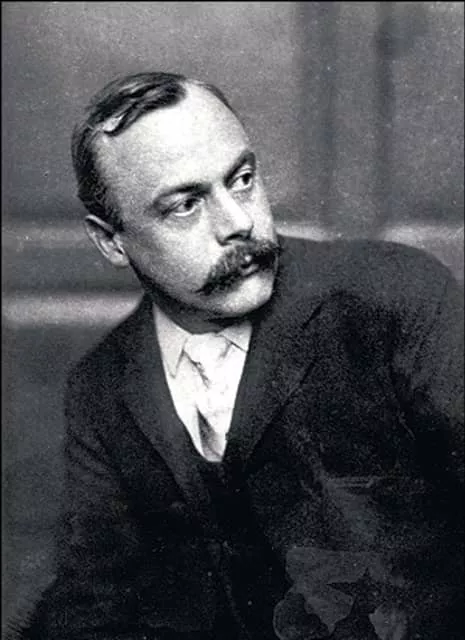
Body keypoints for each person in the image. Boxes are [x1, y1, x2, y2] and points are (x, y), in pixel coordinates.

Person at [18, 71, 463, 640]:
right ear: (111, 240)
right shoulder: (102, 386)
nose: (239, 222)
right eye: (185, 205)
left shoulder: (392, 297)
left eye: (243, 179)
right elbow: (93, 601)